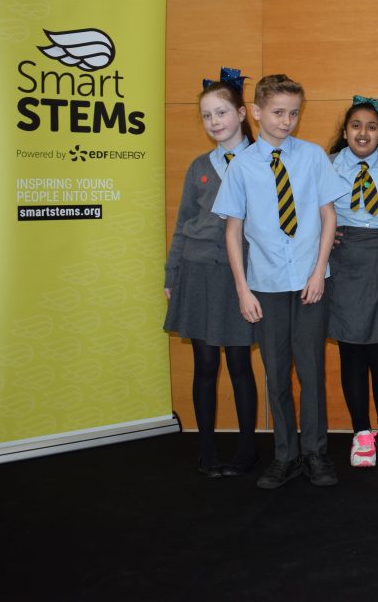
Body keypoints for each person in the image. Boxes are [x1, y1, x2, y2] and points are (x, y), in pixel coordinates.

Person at [212, 73, 349, 489]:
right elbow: (233, 232)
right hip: (266, 284)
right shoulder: (241, 166)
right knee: (276, 374)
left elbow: (328, 216)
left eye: (293, 113)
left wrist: (319, 271)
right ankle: (285, 455)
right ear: (255, 112)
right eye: (277, 113)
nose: (286, 121)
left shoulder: (312, 157)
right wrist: (243, 289)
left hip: (310, 281)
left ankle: (316, 453)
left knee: (311, 372)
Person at [163, 68, 258, 478]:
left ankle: (247, 451)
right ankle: (206, 450)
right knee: (204, 364)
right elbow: (183, 223)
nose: (215, 122)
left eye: (221, 112)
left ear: (241, 113)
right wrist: (172, 274)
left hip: (240, 276)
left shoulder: (263, 161)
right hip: (198, 272)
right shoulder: (199, 166)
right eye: (206, 115)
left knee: (239, 363)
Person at [327, 95, 378, 469]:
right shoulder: (328, 165)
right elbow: (308, 209)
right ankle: (361, 432)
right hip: (344, 264)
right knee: (352, 354)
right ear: (345, 132)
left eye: (372, 127)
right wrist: (322, 234)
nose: (363, 133)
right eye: (356, 125)